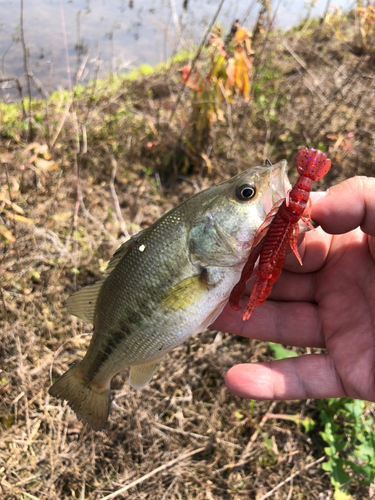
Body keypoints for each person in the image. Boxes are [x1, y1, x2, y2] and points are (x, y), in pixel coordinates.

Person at [211, 176, 375, 403]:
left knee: (262, 272)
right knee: (258, 271)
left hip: (280, 239)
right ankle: (246, 305)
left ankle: (247, 307)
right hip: (277, 238)